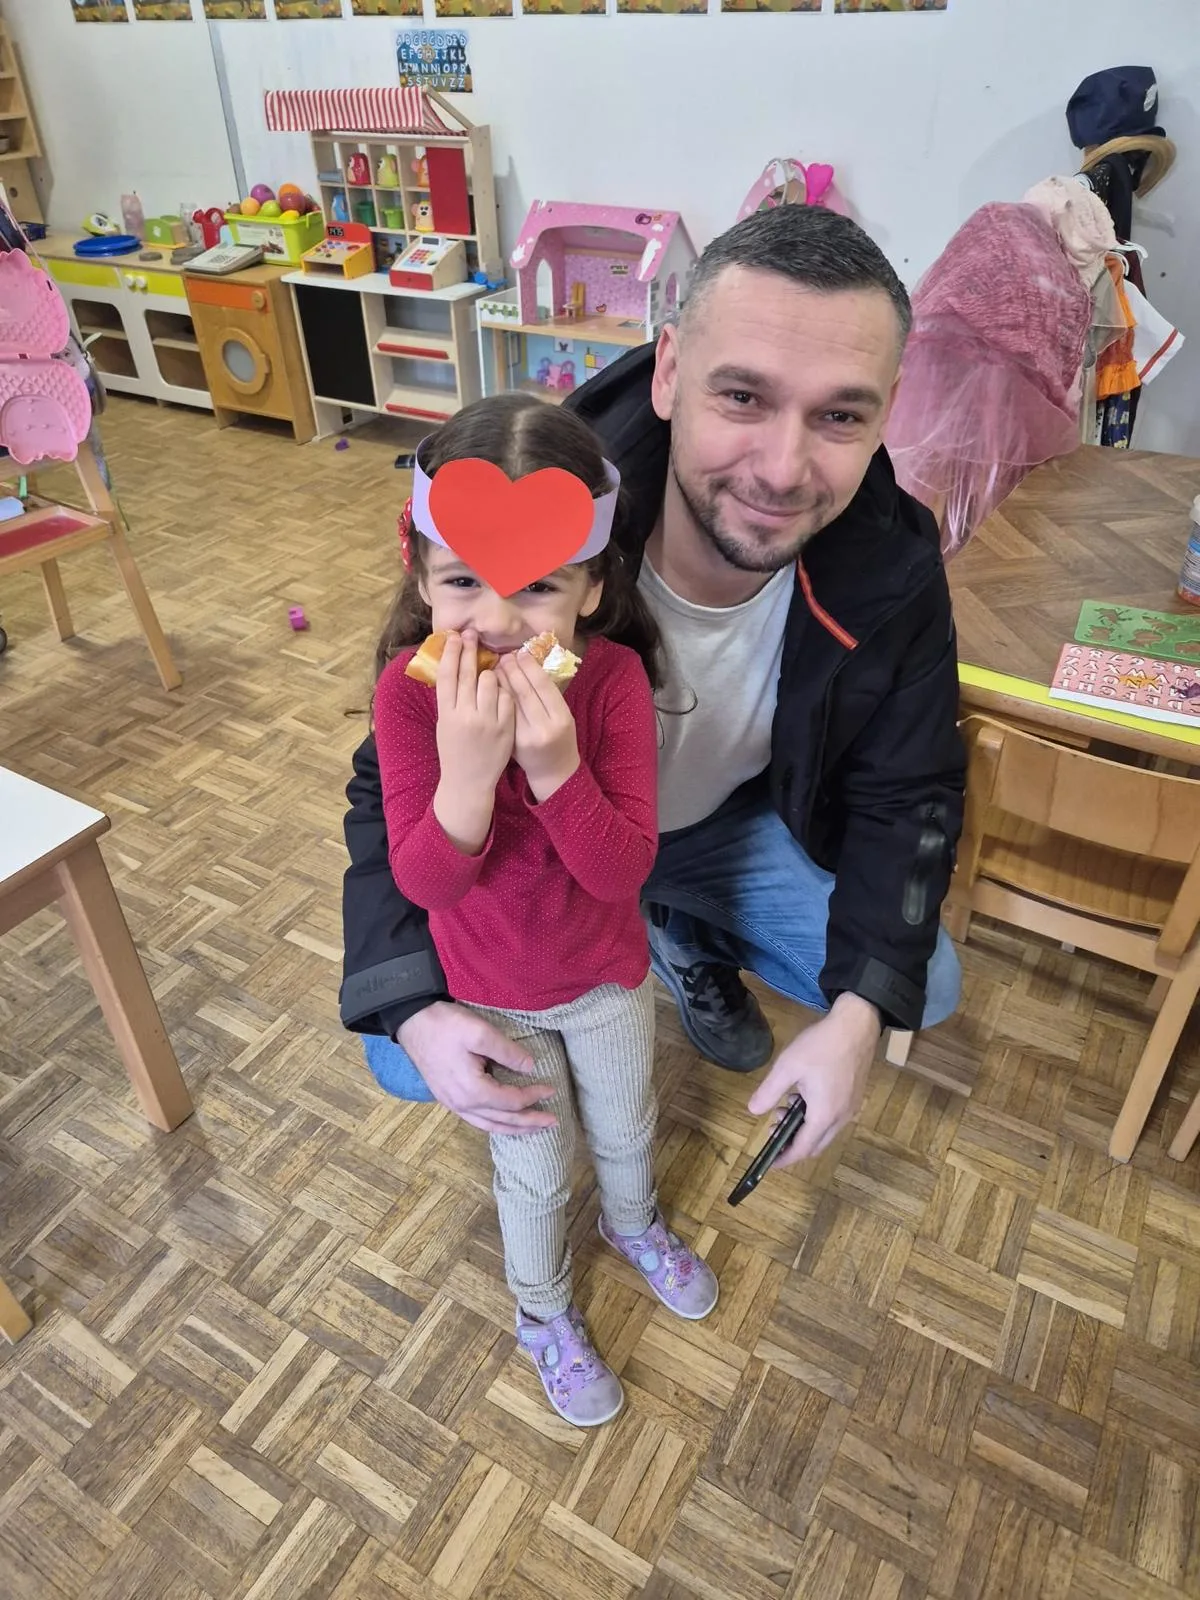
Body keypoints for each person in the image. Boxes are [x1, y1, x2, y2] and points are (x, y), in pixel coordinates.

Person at [342, 202, 965, 1172]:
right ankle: (636, 932)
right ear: (669, 371)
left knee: (919, 983)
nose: (783, 469)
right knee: (406, 1052)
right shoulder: (540, 507)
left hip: (720, 827)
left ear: (889, 407)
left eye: (841, 415)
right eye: (743, 397)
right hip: (531, 842)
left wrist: (856, 1018)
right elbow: (389, 785)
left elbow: (911, 789)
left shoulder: (894, 567)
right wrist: (412, 1002)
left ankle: (681, 930)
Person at [370, 394, 718, 1427]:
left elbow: (621, 873)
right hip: (491, 996)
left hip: (604, 977)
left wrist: (556, 764)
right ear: (420, 577)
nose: (496, 620)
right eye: (463, 582)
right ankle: (542, 1311)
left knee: (626, 1125)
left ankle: (632, 1223)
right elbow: (426, 884)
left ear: (592, 587)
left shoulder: (611, 684)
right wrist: (469, 776)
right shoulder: (407, 696)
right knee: (532, 1171)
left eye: (537, 587)